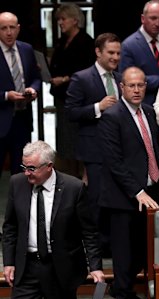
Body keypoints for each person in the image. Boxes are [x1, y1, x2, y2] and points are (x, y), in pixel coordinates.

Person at [2, 140, 104, 299]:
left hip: (60, 269)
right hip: (26, 268)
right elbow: (10, 227)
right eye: (24, 166)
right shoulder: (17, 183)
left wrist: (96, 266)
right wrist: (8, 262)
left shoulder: (74, 188)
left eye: (31, 168)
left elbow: (89, 232)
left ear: (49, 166)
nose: (26, 173)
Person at [99, 67, 159, 299]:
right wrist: (136, 191)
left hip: (150, 193)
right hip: (124, 197)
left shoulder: (148, 112)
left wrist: (157, 191)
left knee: (142, 249)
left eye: (141, 85)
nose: (137, 90)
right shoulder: (112, 116)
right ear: (122, 88)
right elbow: (114, 161)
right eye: (131, 86)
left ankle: (121, 289)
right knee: (124, 252)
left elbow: (152, 153)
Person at [65, 32, 122, 253]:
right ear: (98, 52)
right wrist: (98, 107)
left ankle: (110, 243)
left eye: (118, 53)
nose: (115, 57)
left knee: (116, 196)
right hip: (94, 148)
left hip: (117, 149)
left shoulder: (120, 79)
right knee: (96, 197)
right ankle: (93, 246)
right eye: (111, 53)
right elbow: (71, 112)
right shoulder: (82, 78)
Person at [48, 3, 95, 178]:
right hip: (62, 98)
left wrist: (66, 78)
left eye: (63, 19)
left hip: (78, 100)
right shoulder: (61, 41)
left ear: (75, 20)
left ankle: (81, 178)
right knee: (66, 142)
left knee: (76, 141)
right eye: (58, 19)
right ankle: (70, 177)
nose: (60, 22)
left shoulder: (86, 42)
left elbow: (86, 70)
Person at [0, 12, 41, 178]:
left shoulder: (26, 49)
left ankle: (21, 205)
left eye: (12, 28)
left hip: (22, 120)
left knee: (22, 175)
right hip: (1, 119)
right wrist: (5, 95)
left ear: (18, 29)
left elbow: (35, 77)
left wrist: (33, 89)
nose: (9, 32)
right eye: (4, 28)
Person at [119, 0, 159, 106]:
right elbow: (126, 79)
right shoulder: (129, 45)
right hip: (146, 105)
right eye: (153, 18)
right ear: (143, 19)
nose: (157, 23)